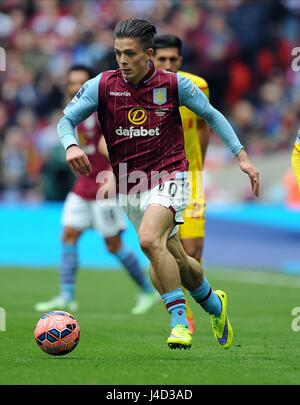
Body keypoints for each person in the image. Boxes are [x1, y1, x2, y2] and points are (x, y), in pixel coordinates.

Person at [57, 19, 259, 350]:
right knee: (174, 260)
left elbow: (212, 115)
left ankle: (180, 322)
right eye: (118, 53)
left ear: (148, 54)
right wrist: (72, 144)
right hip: (130, 185)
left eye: (130, 54)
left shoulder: (175, 85)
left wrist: (242, 156)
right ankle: (214, 305)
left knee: (150, 240)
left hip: (171, 175)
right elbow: (67, 120)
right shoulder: (103, 85)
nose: (122, 60)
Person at [35, 65, 159, 315]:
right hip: (82, 186)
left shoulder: (107, 110)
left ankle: (148, 290)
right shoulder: (72, 114)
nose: (75, 87)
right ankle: (67, 296)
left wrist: (115, 175)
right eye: (71, 82)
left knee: (113, 245)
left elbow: (119, 145)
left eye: (81, 82)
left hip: (104, 186)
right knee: (69, 235)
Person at [152, 34, 210, 335]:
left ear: (181, 60)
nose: (168, 64)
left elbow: (203, 125)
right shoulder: (142, 90)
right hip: (157, 180)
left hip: (192, 180)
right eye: (162, 59)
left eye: (174, 59)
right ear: (151, 59)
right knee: (161, 247)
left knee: (192, 252)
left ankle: (204, 301)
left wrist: (198, 167)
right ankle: (181, 314)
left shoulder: (196, 86)